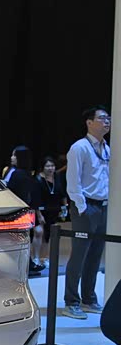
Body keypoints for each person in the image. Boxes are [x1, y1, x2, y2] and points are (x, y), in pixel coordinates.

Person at [63, 105, 111, 319]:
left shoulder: (107, 148)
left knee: (95, 255)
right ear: (89, 122)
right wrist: (82, 206)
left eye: (108, 118)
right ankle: (71, 302)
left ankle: (89, 299)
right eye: (102, 118)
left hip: (103, 206)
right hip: (86, 207)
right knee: (79, 255)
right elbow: (73, 181)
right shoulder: (79, 147)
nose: (107, 121)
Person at [6, 146, 45, 275]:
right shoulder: (25, 174)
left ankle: (26, 266)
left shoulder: (16, 173)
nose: (12, 158)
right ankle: (28, 265)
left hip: (16, 212)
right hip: (23, 212)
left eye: (14, 155)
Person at [35, 157, 68, 267]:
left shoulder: (57, 178)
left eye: (52, 166)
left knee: (48, 236)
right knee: (38, 233)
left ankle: (44, 258)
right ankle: (35, 258)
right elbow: (35, 199)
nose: (50, 168)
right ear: (43, 167)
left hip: (53, 210)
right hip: (40, 211)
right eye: (47, 166)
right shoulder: (38, 179)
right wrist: (39, 215)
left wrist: (65, 207)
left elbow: (62, 193)